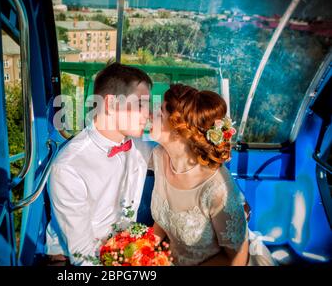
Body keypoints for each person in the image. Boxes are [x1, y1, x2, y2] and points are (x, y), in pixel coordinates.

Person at [149, 84, 276, 266]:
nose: (150, 116)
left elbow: (237, 260)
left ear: (179, 129)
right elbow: (165, 215)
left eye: (160, 113)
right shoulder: (159, 157)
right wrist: (143, 250)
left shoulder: (217, 189)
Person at [46, 63, 154, 265]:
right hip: (72, 258)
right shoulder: (69, 167)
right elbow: (82, 255)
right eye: (140, 104)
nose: (148, 114)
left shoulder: (140, 147)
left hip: (125, 249)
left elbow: (177, 153)